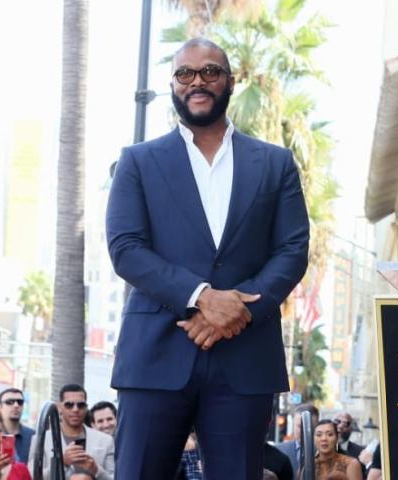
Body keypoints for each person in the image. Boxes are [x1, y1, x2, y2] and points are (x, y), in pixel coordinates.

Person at [105, 36, 309, 480]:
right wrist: (201, 297)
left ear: (231, 82)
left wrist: (237, 309)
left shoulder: (275, 164)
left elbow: (292, 250)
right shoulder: (138, 161)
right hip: (155, 356)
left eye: (210, 72)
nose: (197, 82)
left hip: (245, 356)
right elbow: (125, 248)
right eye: (185, 74)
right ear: (174, 85)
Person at [29, 385, 114, 480]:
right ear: (60, 407)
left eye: (80, 405)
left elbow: (114, 477)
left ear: (86, 407)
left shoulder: (105, 440)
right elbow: (32, 476)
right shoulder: (41, 439)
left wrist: (96, 469)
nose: (75, 409)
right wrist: (62, 463)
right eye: (69, 405)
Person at [275, 404, 318, 479]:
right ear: (293, 425)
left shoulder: (324, 452)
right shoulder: (278, 450)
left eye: (310, 427)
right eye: (299, 426)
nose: (303, 431)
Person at [0, 389, 34, 463]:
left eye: (20, 402)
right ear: (0, 407)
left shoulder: (33, 436)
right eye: (10, 402)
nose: (16, 405)